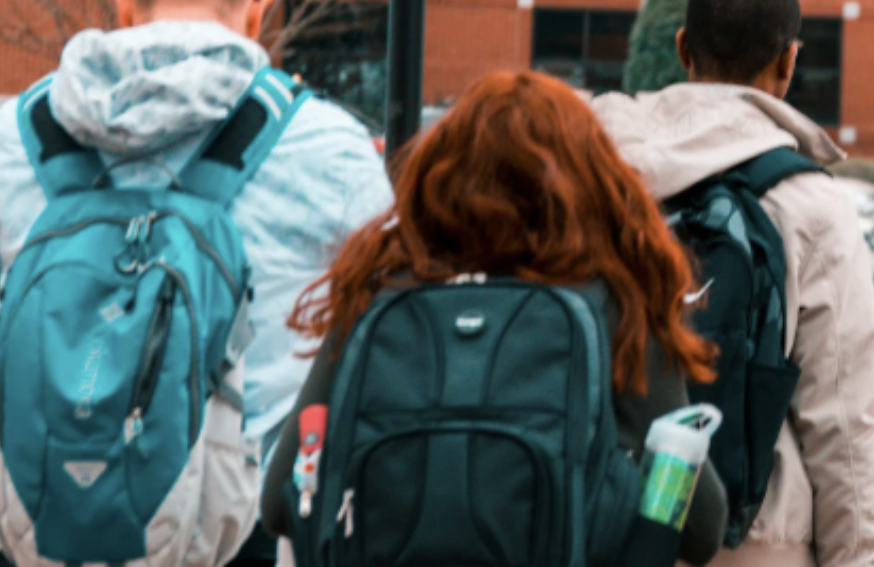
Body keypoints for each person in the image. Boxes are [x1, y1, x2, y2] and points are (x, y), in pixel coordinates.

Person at [0, 0, 391, 566]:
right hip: (238, 539)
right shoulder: (331, 148)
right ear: (261, 7)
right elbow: (380, 355)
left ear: (122, 0)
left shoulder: (11, 137)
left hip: (44, 535)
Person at [264, 71, 728, 564]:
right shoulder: (614, 306)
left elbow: (280, 501)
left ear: (437, 174)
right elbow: (702, 526)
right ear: (589, 182)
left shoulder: (381, 295)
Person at [588, 0, 874, 567]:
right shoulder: (807, 201)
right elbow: (842, 413)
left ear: (680, 47)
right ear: (788, 61)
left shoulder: (597, 177)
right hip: (756, 539)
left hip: (608, 522)